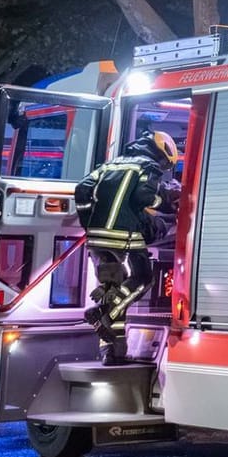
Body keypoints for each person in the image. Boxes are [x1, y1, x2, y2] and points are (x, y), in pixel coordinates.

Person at [76, 131, 179, 365]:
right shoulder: (148, 166)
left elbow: (82, 189)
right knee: (143, 278)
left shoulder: (109, 165)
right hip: (124, 234)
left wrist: (87, 220)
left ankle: (111, 352)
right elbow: (144, 198)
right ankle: (104, 313)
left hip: (96, 236)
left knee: (113, 288)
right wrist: (167, 203)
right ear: (161, 154)